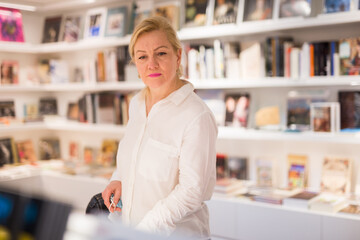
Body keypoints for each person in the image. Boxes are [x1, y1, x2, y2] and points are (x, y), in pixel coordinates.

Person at [102, 16, 218, 239]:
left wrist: (145, 231)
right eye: (142, 56)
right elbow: (135, 154)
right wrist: (118, 178)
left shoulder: (197, 115)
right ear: (135, 63)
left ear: (178, 56)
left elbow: (191, 193)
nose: (151, 64)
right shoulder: (136, 104)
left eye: (161, 53)